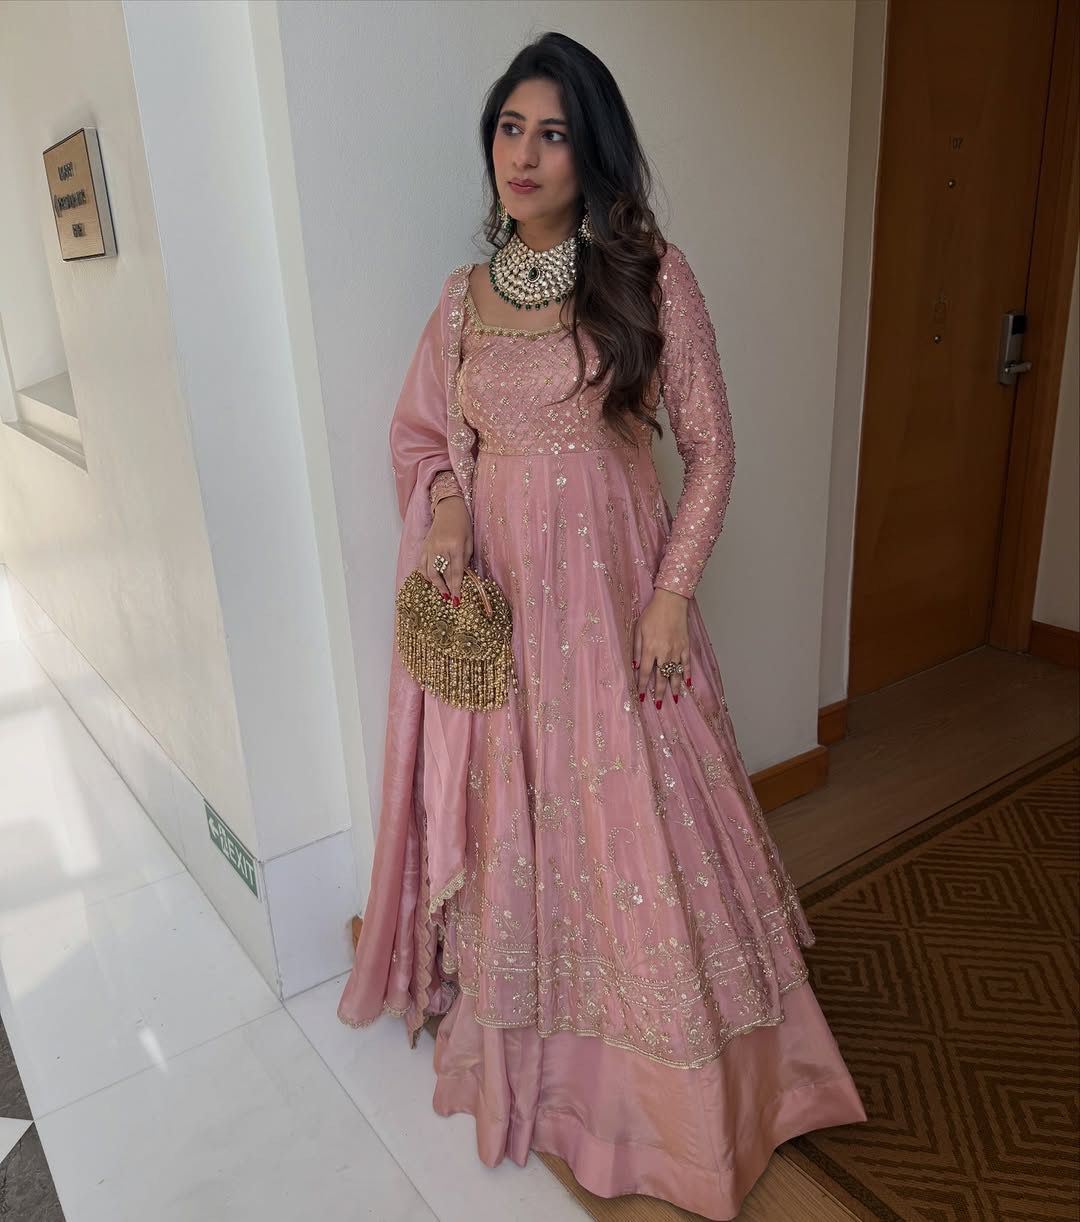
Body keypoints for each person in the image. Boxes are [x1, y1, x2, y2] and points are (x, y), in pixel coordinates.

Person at [337, 30, 867, 1221]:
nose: (523, 154)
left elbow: (713, 450)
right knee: (527, 817)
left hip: (621, 605)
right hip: (510, 613)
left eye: (554, 134)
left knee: (644, 827)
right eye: (509, 128)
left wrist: (672, 591)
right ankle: (547, 1066)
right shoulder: (461, 301)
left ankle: (680, 1100)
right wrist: (447, 514)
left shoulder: (649, 273)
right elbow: (430, 441)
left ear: (594, 152)